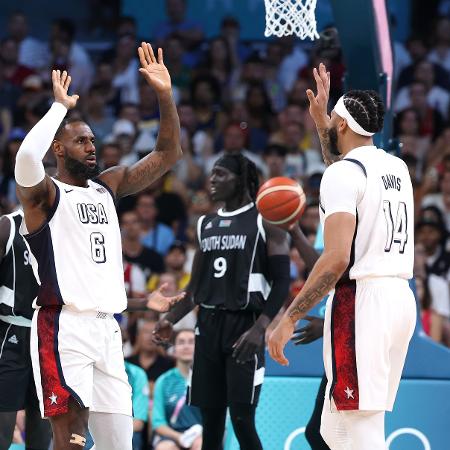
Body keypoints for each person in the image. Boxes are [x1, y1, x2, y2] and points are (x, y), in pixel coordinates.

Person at [14, 42, 182, 450]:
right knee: (70, 441)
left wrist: (164, 95)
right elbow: (24, 159)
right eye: (80, 141)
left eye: (92, 140)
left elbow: (167, 153)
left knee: (118, 445)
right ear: (58, 149)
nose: (92, 146)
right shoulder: (45, 197)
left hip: (108, 330)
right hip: (63, 327)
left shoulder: (109, 186)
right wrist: (58, 109)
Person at [268, 63, 416, 450]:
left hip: (361, 301)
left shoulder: (344, 174)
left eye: (333, 118)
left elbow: (334, 260)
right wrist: (322, 122)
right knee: (333, 429)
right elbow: (346, 171)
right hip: (398, 298)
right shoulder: (395, 167)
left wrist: (290, 317)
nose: (328, 121)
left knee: (357, 429)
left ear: (345, 126)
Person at [154, 153, 291, 450]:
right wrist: (169, 319)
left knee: (242, 420)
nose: (212, 180)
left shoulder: (265, 221)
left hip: (245, 327)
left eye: (220, 174)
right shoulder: (205, 224)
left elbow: (282, 282)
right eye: (212, 173)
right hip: (208, 328)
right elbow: (194, 289)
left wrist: (261, 329)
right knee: (211, 424)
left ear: (241, 179)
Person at [0, 209, 52, 450]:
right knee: (3, 432)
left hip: (48, 336)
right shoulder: (8, 226)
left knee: (41, 433)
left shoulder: (66, 228)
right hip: (11, 332)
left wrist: (142, 303)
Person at [152, 329, 202, 450]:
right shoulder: (163, 381)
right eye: (181, 342)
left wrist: (199, 436)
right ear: (174, 350)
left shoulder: (208, 380)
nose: (186, 346)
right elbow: (158, 423)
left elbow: (217, 418)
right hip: (170, 435)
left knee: (202, 446)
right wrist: (179, 437)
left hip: (201, 435)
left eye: (191, 342)